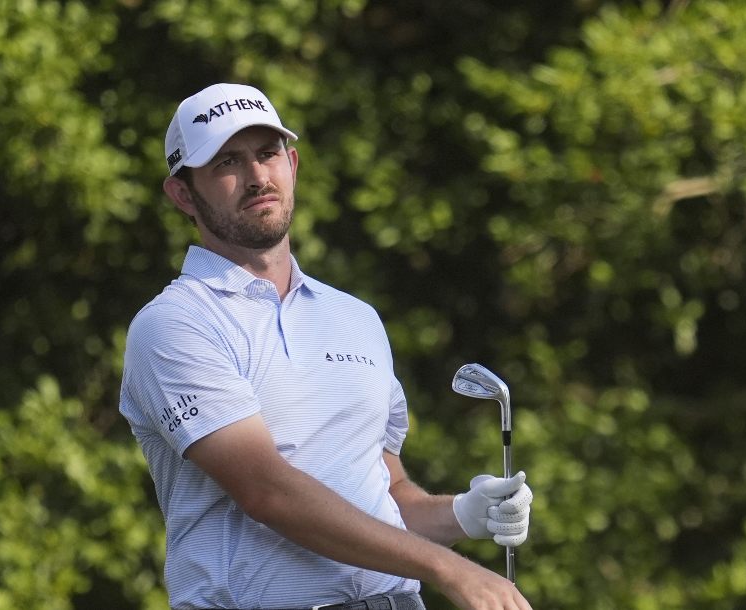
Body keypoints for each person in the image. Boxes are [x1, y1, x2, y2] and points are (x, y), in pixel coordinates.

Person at [119, 83, 534, 610]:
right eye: (227, 161)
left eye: (268, 154)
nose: (256, 176)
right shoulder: (175, 325)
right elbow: (268, 492)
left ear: (292, 163)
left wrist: (462, 514)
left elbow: (384, 498)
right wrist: (451, 570)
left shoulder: (354, 318)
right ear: (183, 194)